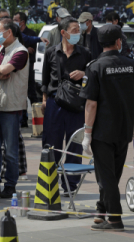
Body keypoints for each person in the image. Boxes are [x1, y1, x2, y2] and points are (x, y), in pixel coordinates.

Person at [80, 24, 134, 231]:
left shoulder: (95, 67)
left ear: (101, 43)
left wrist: (87, 133)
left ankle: (115, 218)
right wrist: (133, 125)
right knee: (112, 174)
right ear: (119, 42)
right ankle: (101, 210)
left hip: (102, 130)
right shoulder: (131, 65)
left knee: (106, 175)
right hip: (124, 128)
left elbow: (91, 103)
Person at [41, 17, 92, 196]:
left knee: (74, 145)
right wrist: (44, 99)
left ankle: (70, 185)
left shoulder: (85, 54)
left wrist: (84, 73)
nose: (78, 33)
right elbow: (45, 79)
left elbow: (93, 77)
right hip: (55, 103)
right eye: (74, 30)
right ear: (63, 33)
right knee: (51, 143)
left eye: (79, 30)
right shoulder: (51, 53)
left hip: (77, 105)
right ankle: (49, 183)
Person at [0, 19, 29, 198]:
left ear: (9, 32)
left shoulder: (21, 52)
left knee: (10, 150)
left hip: (10, 106)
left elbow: (4, 71)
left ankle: (10, 185)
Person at [14, 12, 38, 127]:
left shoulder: (31, 34)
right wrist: (25, 48)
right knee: (20, 94)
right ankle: (23, 119)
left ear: (22, 22)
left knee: (32, 94)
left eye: (16, 19)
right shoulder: (14, 33)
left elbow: (32, 51)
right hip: (17, 68)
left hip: (28, 68)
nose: (14, 21)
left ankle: (37, 120)